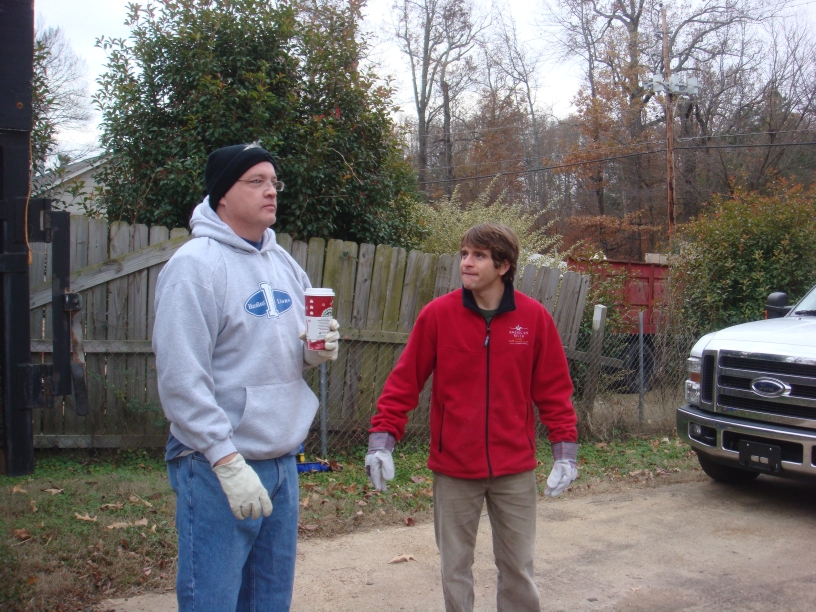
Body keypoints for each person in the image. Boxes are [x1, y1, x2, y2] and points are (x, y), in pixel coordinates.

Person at [153, 143, 339, 611]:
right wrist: (226, 460)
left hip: (282, 461)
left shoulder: (283, 263)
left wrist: (311, 353)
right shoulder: (194, 267)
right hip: (217, 466)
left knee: (268, 601)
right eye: (256, 182)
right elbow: (181, 380)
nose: (270, 191)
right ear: (222, 195)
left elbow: (277, 351)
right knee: (213, 601)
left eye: (274, 182)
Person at [366, 223, 578, 612]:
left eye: (478, 255)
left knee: (518, 569)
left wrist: (565, 452)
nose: (466, 262)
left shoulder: (533, 318)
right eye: (464, 253)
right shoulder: (438, 315)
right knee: (455, 569)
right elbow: (404, 382)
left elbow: (554, 391)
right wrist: (382, 440)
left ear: (503, 265)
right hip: (454, 469)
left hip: (514, 469)